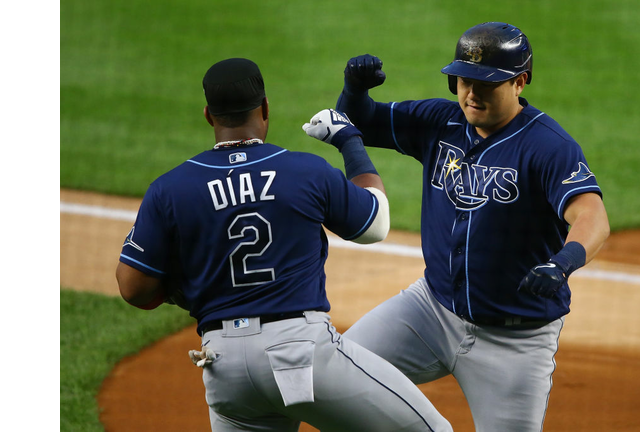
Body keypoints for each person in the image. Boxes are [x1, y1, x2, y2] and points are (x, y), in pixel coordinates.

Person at [116, 57, 452, 432]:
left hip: (223, 365)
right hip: (301, 354)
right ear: (264, 109)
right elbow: (374, 224)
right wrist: (350, 141)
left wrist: (186, 291)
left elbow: (134, 288)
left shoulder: (170, 189)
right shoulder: (303, 170)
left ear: (209, 115)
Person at [334, 22, 610, 431]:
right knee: (336, 374)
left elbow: (592, 216)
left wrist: (564, 261)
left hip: (515, 343)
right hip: (429, 309)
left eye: (487, 83)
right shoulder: (440, 120)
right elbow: (358, 120)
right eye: (464, 80)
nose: (472, 93)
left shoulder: (548, 146)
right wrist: (354, 90)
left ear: (520, 82)